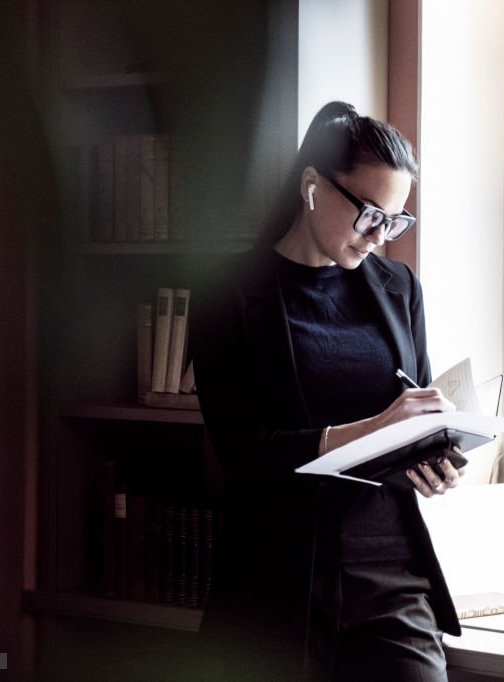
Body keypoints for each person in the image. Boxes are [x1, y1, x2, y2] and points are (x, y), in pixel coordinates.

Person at [191, 101, 463, 681]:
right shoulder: (226, 297)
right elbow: (242, 453)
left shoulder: (399, 289)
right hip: (275, 581)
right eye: (370, 215)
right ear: (313, 187)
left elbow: (413, 410)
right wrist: (372, 429)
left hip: (392, 576)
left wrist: (434, 455)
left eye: (395, 221)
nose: (380, 238)